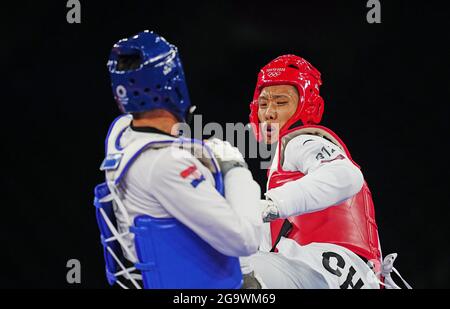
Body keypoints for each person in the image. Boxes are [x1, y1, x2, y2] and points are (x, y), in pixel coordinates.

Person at [95, 30, 263, 288]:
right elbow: (246, 239)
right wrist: (235, 168)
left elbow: (159, 145)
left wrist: (195, 149)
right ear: (174, 82)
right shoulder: (166, 165)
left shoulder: (120, 133)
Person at [244, 54, 384, 289]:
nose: (268, 112)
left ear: (305, 106)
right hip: (346, 275)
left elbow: (346, 176)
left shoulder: (302, 141)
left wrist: (271, 204)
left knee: (229, 272)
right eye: (264, 103)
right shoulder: (282, 168)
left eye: (280, 103)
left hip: (330, 268)